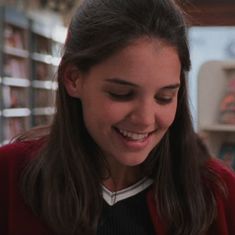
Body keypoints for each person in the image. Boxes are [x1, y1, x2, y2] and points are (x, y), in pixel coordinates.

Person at [0, 0, 235, 234]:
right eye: (121, 94)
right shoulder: (9, 174)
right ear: (73, 78)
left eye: (165, 97)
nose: (145, 119)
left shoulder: (219, 190)